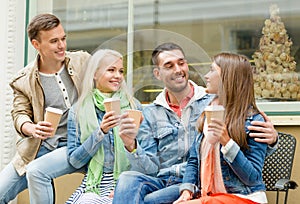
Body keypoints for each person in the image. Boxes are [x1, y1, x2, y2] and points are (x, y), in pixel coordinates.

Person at [112, 42, 278, 204]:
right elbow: (150, 168)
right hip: (166, 180)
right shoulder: (151, 113)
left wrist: (272, 140)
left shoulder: (209, 103)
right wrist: (131, 146)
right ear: (157, 74)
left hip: (202, 183)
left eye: (181, 63)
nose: (178, 70)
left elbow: (246, 143)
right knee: (127, 180)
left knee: (150, 200)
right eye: (169, 66)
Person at [0, 13, 90, 204]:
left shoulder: (82, 62)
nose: (62, 46)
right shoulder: (23, 80)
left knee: (38, 172)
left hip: (79, 143)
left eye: (63, 38)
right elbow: (19, 113)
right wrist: (30, 128)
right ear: (36, 44)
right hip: (40, 147)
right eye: (54, 41)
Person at [174, 53, 268, 204]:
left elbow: (252, 178)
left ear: (227, 77)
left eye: (212, 70)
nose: (206, 76)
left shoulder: (254, 121)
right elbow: (193, 160)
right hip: (210, 196)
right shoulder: (207, 111)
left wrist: (227, 142)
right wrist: (187, 190)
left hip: (244, 198)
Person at [65, 49, 142, 204]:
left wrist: (131, 143)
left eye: (121, 71)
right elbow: (74, 161)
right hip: (95, 183)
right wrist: (100, 132)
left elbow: (147, 156)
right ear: (94, 74)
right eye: (111, 70)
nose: (118, 76)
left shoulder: (134, 106)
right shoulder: (78, 110)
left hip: (129, 179)